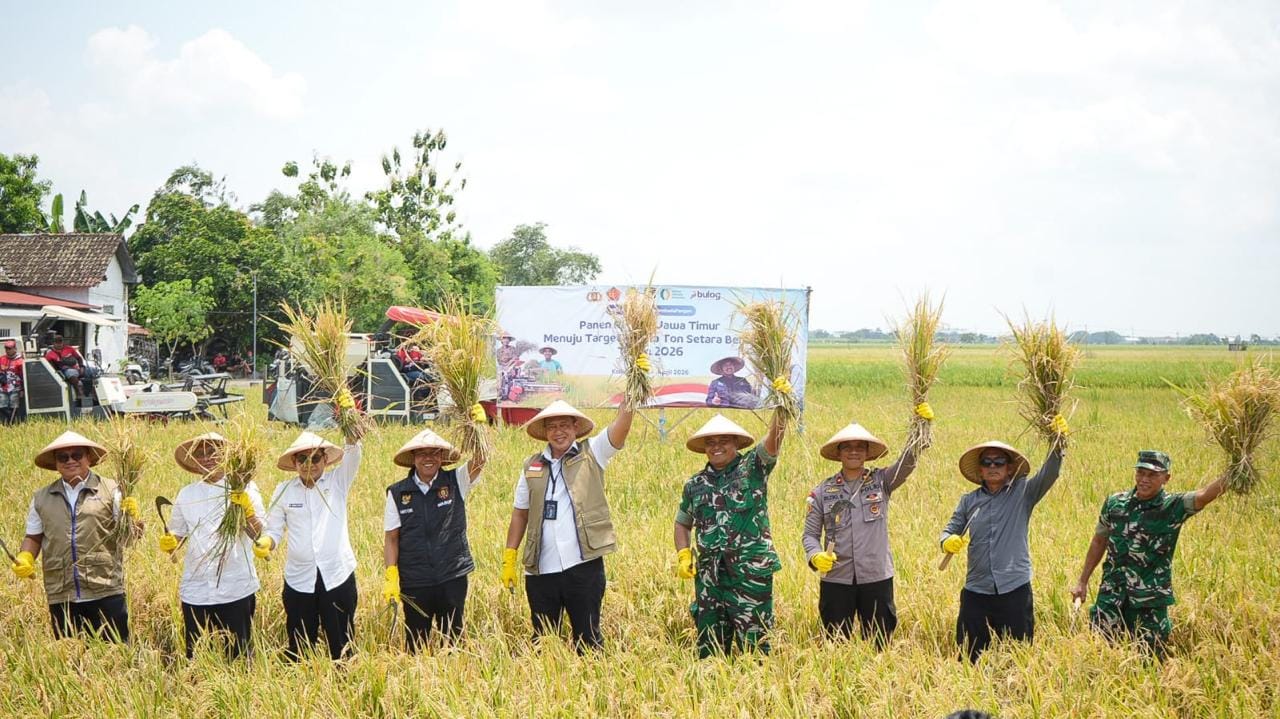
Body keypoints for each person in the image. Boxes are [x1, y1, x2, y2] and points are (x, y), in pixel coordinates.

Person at [500, 399, 635, 651]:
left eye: (564, 425)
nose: (558, 432)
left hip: (582, 566)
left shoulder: (592, 453)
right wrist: (510, 555)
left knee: (589, 639)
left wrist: (631, 396)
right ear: (545, 432)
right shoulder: (531, 465)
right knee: (543, 641)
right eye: (552, 426)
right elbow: (520, 514)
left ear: (575, 427)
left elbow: (621, 428)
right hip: (541, 568)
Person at [1070, 450, 1228, 659]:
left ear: (1166, 478)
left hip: (1149, 602)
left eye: (1152, 475)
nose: (1144, 479)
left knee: (1151, 661)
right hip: (1111, 595)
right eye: (1140, 473)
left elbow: (1204, 496)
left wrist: (1236, 470)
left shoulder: (1172, 507)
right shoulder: (1115, 503)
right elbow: (1099, 540)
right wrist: (1083, 581)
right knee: (1100, 656)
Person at [939, 431, 1066, 662]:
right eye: (987, 462)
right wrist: (947, 540)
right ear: (980, 470)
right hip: (977, 588)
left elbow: (1051, 472)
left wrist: (1058, 441)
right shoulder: (969, 501)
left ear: (1009, 468)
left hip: (1013, 588)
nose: (993, 466)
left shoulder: (1023, 493)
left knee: (1018, 657)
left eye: (999, 462)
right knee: (968, 656)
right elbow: (949, 530)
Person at [801, 416, 928, 646]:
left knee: (880, 642)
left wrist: (920, 427)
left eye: (860, 447)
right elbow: (809, 535)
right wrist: (815, 556)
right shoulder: (822, 491)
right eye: (847, 447)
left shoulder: (881, 481)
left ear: (868, 452)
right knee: (835, 644)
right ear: (838, 453)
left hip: (876, 576)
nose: (853, 452)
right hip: (836, 578)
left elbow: (907, 463)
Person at [674, 407, 787, 657]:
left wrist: (782, 407)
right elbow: (682, 522)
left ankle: (757, 695)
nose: (716, 447)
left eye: (723, 441)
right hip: (710, 578)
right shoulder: (695, 484)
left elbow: (774, 440)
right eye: (710, 442)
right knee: (710, 648)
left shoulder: (752, 468)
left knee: (756, 648)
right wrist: (683, 553)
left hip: (750, 574)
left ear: (735, 442)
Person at [10, 431, 143, 641]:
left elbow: (130, 538)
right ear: (55, 463)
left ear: (88, 457)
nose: (70, 461)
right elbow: (33, 537)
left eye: (77, 455)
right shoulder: (41, 498)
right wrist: (25, 557)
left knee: (115, 655)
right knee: (71, 660)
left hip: (104, 589)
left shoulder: (112, 490)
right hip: (61, 592)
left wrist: (132, 519)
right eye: (63, 457)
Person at [159, 432, 268, 659]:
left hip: (235, 587)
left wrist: (247, 511)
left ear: (226, 456)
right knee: (198, 654)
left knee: (239, 656)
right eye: (201, 454)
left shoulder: (243, 488)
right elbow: (177, 537)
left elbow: (259, 533)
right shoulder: (187, 494)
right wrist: (170, 543)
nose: (207, 458)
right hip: (196, 590)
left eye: (213, 453)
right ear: (194, 461)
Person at [258, 430, 362, 660]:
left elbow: (353, 454)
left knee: (342, 643)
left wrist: (350, 424)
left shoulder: (338, 481)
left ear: (325, 459)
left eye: (315, 458)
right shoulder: (283, 491)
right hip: (299, 580)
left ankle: (346, 688)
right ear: (294, 463)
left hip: (337, 576)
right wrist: (267, 542)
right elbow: (274, 529)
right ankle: (299, 689)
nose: (308, 464)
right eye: (302, 459)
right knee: (300, 644)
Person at [381, 425, 487, 650]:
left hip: (452, 575)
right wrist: (391, 574)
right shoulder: (398, 493)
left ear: (442, 457)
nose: (428, 458)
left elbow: (481, 459)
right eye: (421, 453)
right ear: (413, 458)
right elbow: (391, 538)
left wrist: (475, 426)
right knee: (416, 643)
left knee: (454, 639)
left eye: (434, 453)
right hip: (414, 580)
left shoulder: (456, 480)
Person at [44, 334, 94, 399]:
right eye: (57, 342)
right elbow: (47, 365)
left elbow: (79, 358)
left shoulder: (69, 349)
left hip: (76, 367)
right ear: (53, 343)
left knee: (92, 371)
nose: (59, 344)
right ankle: (79, 392)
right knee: (71, 373)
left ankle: (93, 393)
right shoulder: (50, 354)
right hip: (64, 370)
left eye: (60, 342)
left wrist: (81, 367)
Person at [0, 339, 24, 423]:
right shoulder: (1, 359)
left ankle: (11, 424)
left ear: (15, 348)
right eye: (6, 348)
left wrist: (22, 390)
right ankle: (12, 421)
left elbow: (23, 376)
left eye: (9, 348)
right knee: (2, 406)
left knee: (13, 407)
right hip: (3, 387)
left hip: (15, 388)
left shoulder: (20, 360)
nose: (7, 350)